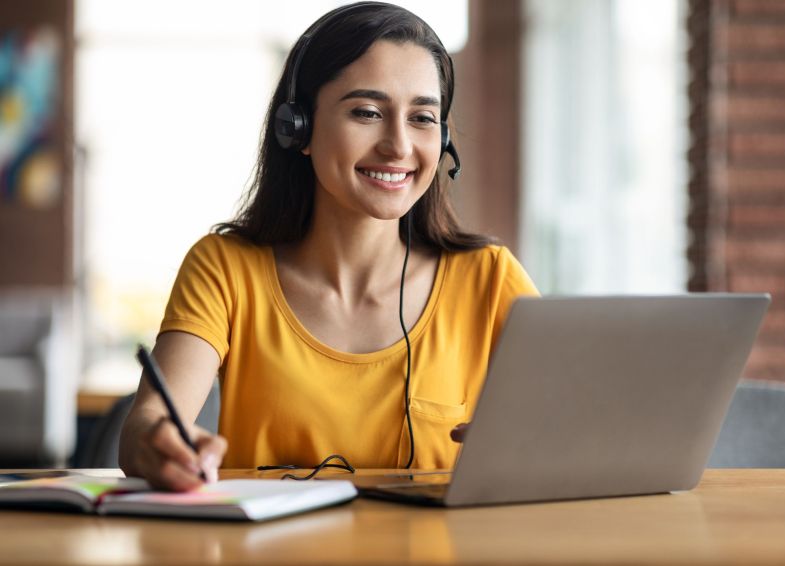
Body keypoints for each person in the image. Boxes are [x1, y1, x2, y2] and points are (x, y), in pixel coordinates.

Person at [119, 1, 538, 492]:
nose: (399, 145)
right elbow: (145, 426)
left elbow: (573, 421)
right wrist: (161, 441)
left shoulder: (489, 278)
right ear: (297, 128)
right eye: (367, 112)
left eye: (422, 117)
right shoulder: (225, 268)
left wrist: (546, 441)